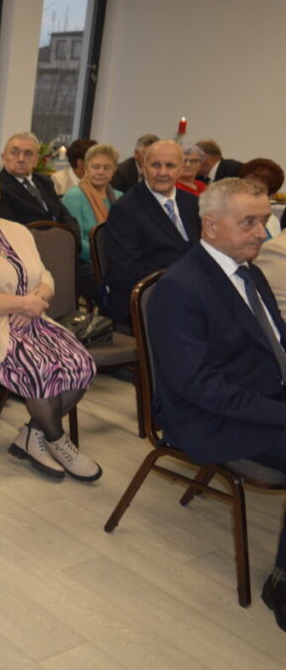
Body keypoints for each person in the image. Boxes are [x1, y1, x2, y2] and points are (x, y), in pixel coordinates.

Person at [146, 177, 286, 632]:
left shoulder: (249, 271)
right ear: (210, 226)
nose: (262, 233)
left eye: (264, 221)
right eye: (249, 223)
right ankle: (282, 581)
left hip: (260, 394)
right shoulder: (180, 287)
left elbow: (276, 344)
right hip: (209, 417)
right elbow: (199, 386)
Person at [0, 163, 100, 480]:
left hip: (32, 320)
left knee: (81, 364)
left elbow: (45, 275)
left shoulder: (17, 231)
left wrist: (38, 297)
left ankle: (31, 435)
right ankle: (58, 441)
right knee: (40, 368)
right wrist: (23, 303)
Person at [103, 139, 200, 331]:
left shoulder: (192, 203)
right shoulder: (126, 209)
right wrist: (184, 289)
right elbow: (125, 272)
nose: (162, 172)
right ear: (143, 167)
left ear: (181, 169)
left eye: (170, 166)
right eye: (155, 165)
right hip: (148, 300)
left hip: (192, 296)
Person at [0, 132, 93, 298]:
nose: (21, 158)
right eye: (15, 152)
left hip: (63, 251)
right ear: (4, 157)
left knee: (102, 277)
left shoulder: (44, 181)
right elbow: (11, 229)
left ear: (36, 160)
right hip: (30, 257)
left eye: (28, 154)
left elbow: (64, 215)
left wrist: (71, 239)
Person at [61, 143, 122, 263]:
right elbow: (74, 239)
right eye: (95, 167)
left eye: (107, 168)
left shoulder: (119, 197)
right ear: (86, 168)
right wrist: (105, 255)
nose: (101, 172)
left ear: (114, 171)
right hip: (87, 261)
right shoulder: (74, 197)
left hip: (117, 258)